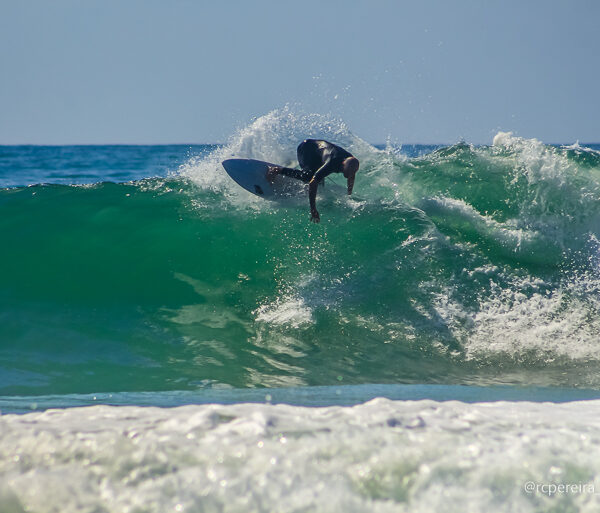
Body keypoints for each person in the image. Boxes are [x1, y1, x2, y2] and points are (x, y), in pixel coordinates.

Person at [267, 139, 359, 223]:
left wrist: (349, 195)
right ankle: (277, 170)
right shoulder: (333, 163)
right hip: (307, 148)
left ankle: (304, 186)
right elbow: (313, 182)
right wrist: (313, 209)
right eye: (344, 171)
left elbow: (351, 175)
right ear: (343, 165)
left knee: (319, 185)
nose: (347, 174)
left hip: (319, 155)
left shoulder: (352, 162)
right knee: (308, 177)